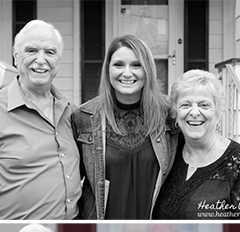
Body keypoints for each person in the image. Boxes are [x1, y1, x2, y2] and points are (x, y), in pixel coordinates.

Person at [0, 20, 81, 220]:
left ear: (59, 59)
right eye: (31, 50)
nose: (41, 60)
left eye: (50, 52)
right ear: (15, 56)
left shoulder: (71, 112)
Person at [74, 35, 177, 220]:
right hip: (102, 228)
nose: (127, 73)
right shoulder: (84, 117)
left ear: (148, 70)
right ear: (108, 70)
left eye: (136, 65)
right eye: (119, 65)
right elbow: (70, 179)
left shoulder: (168, 116)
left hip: (156, 228)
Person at [152, 70, 240, 219]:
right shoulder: (169, 153)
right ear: (175, 114)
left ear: (217, 112)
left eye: (204, 105)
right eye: (185, 104)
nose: (194, 112)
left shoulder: (239, 163)